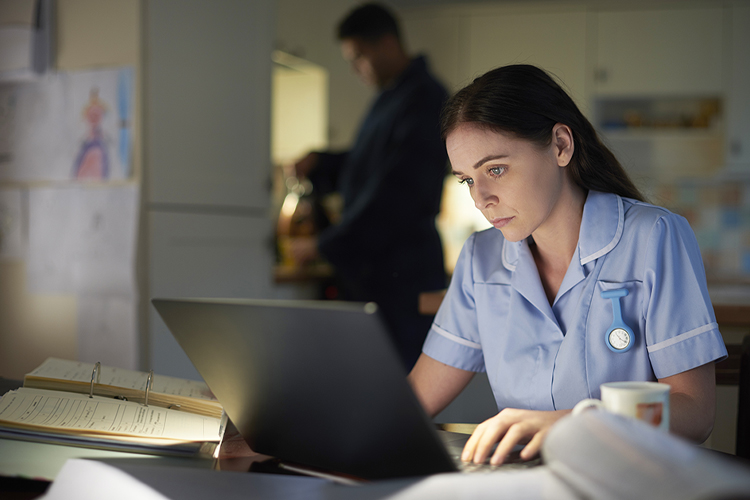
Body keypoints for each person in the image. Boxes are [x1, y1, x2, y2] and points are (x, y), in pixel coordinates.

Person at [407, 64, 728, 467]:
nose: (481, 198)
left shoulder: (654, 236)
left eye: (496, 170)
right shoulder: (479, 259)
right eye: (466, 179)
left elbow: (695, 412)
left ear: (560, 145)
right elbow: (412, 402)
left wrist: (571, 424)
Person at [291, 3, 449, 370]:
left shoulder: (425, 98)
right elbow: (367, 166)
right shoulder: (391, 97)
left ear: (387, 43)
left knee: (403, 390)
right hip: (381, 274)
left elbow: (398, 194)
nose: (355, 68)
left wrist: (325, 245)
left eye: (358, 56)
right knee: (375, 385)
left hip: (403, 275)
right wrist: (320, 162)